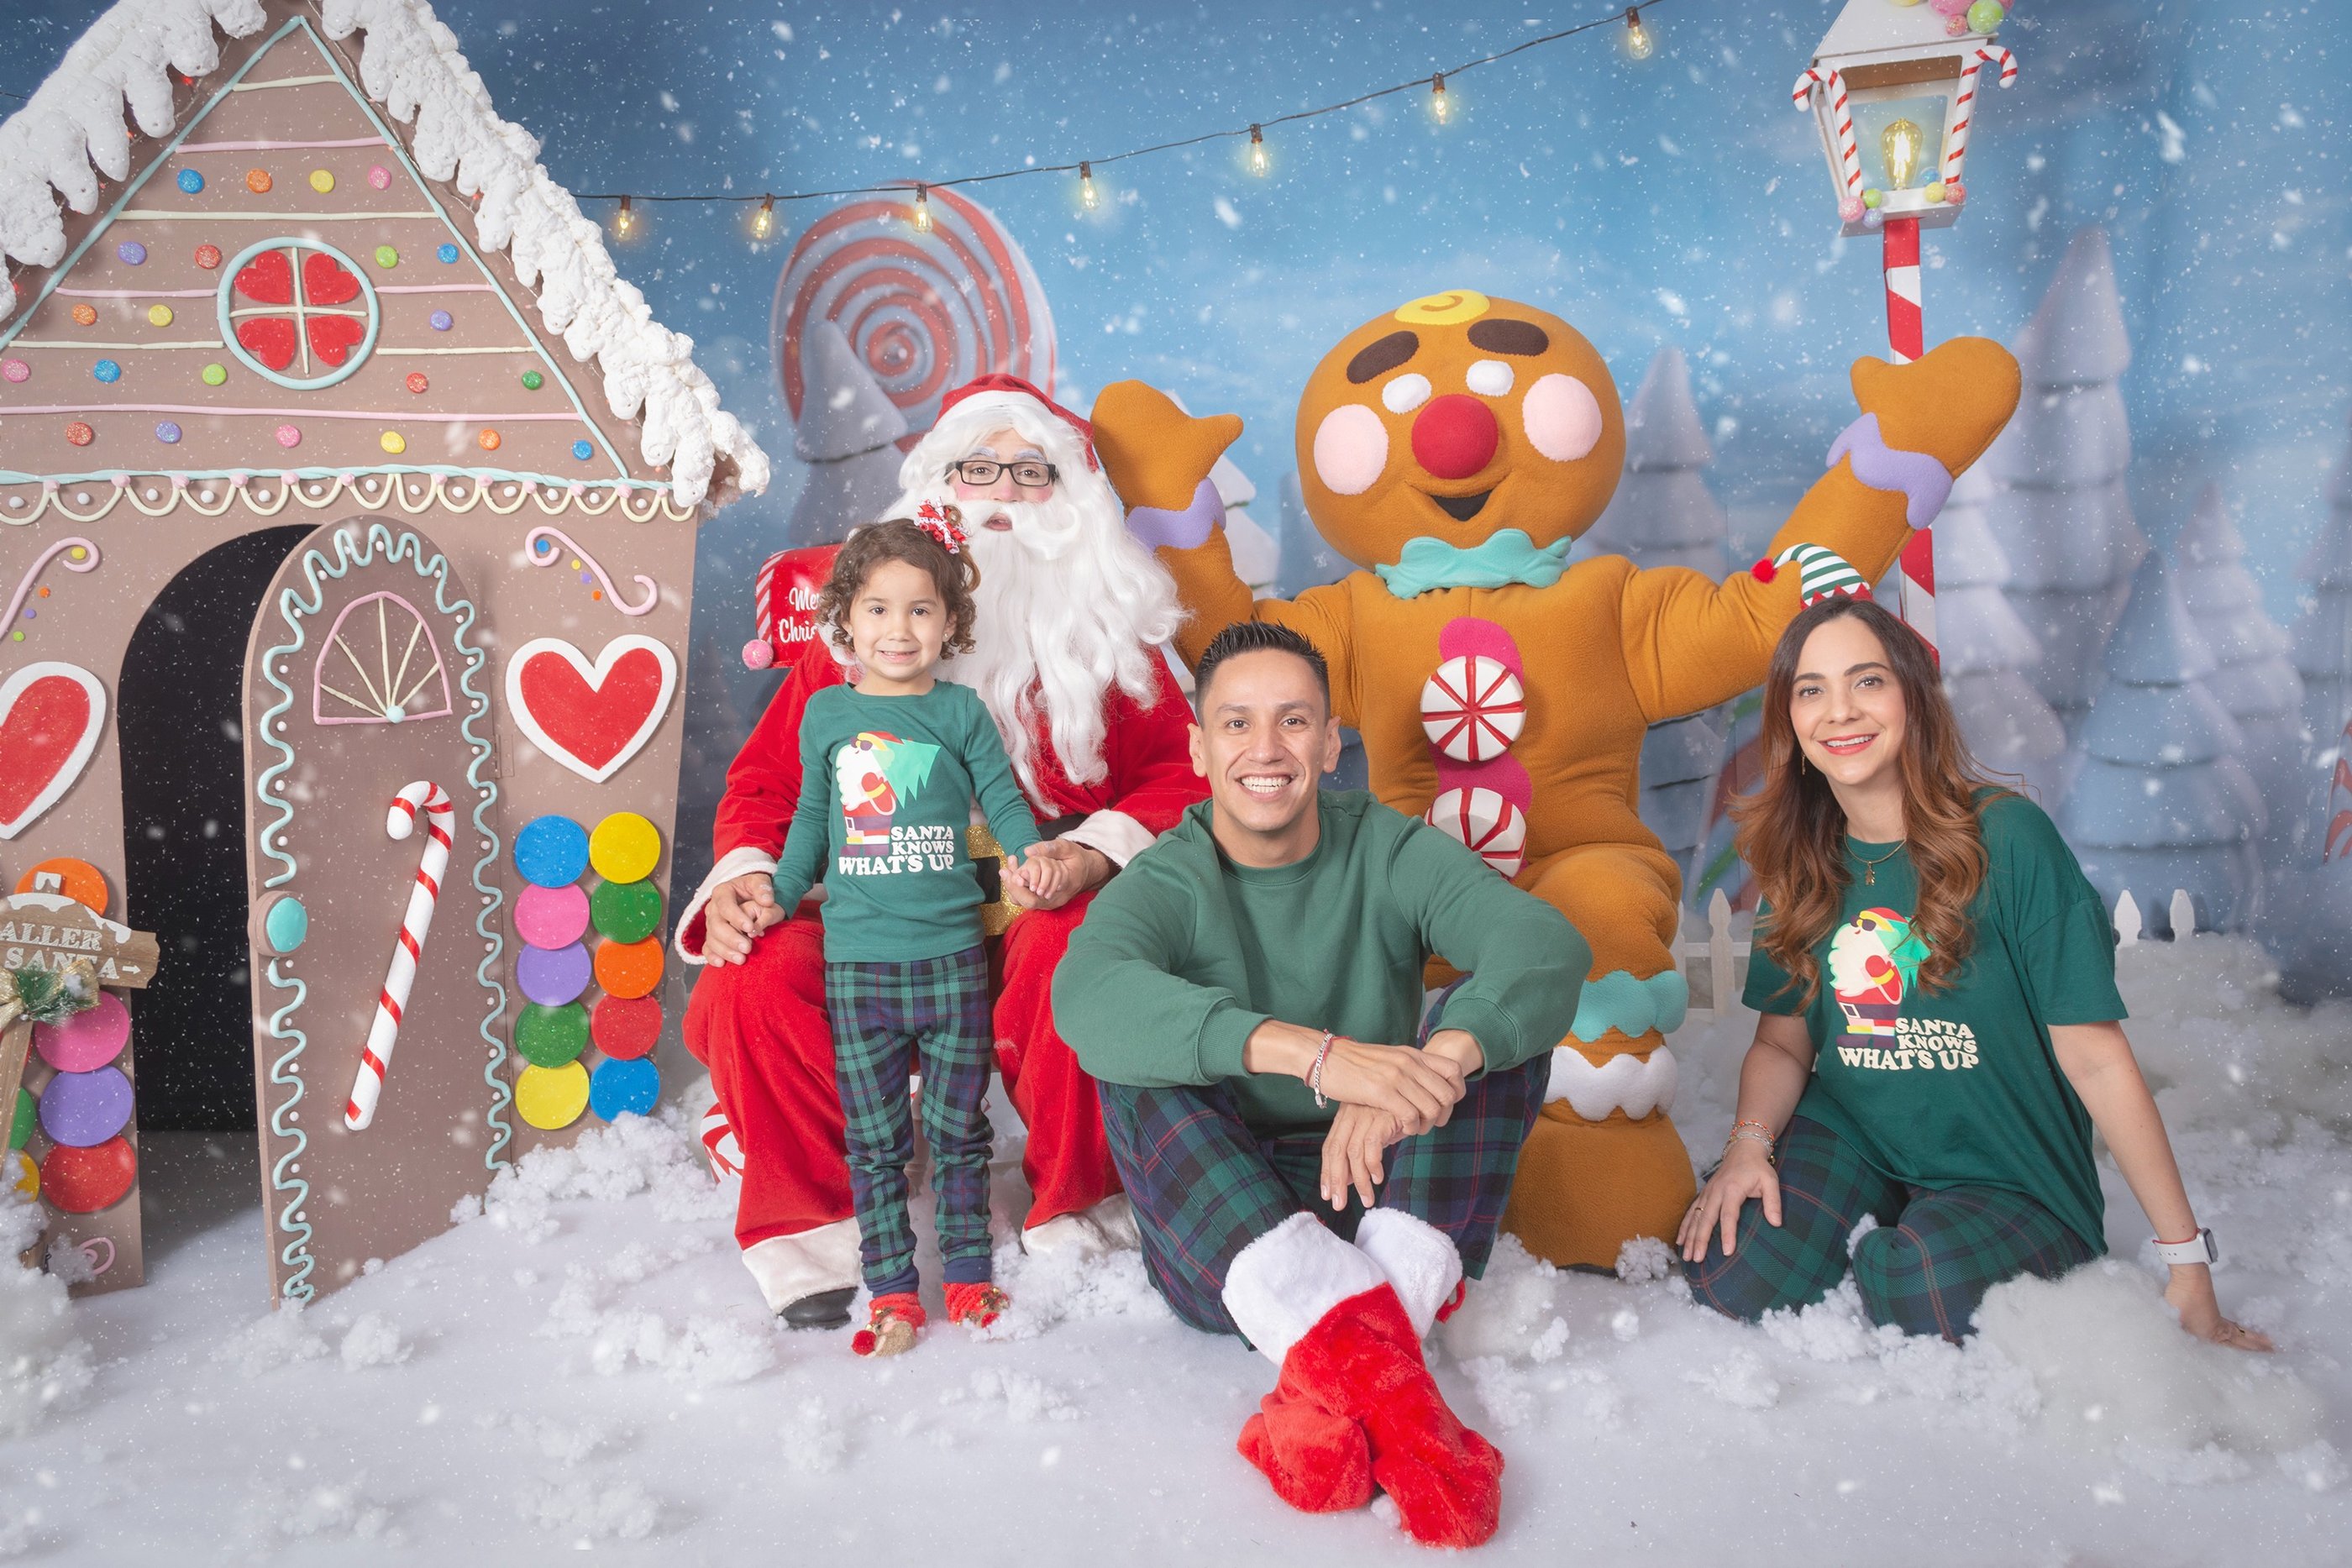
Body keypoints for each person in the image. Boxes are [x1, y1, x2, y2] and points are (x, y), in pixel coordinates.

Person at [677, 375, 1206, 1327]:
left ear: (1074, 496)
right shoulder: (854, 644)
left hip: (1035, 900)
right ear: (937, 486)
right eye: (977, 469)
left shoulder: (1109, 636)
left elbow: (1184, 776)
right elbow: (769, 787)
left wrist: (1091, 854)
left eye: (1031, 472)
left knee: (1077, 946)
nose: (1002, 494)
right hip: (876, 907)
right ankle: (816, 1225)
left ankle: (1081, 1198)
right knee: (756, 972)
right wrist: (747, 881)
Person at [1053, 622, 1585, 1549]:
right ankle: (1397, 1384)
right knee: (1139, 1060)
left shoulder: (1386, 846)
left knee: (1487, 1026)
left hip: (1387, 1199)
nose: (1265, 749)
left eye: (1293, 721)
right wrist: (1318, 1056)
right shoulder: (1170, 876)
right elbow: (1085, 996)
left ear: (1330, 742)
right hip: (1228, 1232)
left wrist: (1426, 1066)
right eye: (1237, 723)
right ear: (1199, 748)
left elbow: (1544, 947)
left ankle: (1337, 1357)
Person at [1679, 592, 2273, 1351]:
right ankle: (1867, 1215)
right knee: (1731, 1269)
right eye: (1811, 690)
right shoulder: (1802, 861)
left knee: (1921, 1288)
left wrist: (2188, 1264)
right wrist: (1748, 1144)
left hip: (2006, 1170)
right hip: (1861, 1135)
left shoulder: (2010, 838)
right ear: (1789, 723)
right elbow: (1781, 1044)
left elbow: (2097, 1059)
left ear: (1913, 697)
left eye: (1867, 681)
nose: (1840, 711)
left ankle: (1918, 1238)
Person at [767, 517, 1069, 1355]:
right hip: (859, 967)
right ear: (845, 619)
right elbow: (811, 823)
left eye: (920, 610)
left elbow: (1003, 799)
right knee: (874, 1142)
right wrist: (779, 894)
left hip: (951, 964)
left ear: (949, 622)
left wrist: (1029, 852)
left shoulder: (960, 711)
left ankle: (968, 1275)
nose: (898, 629)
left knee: (959, 1128)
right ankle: (894, 1292)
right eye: (877, 609)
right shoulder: (827, 714)